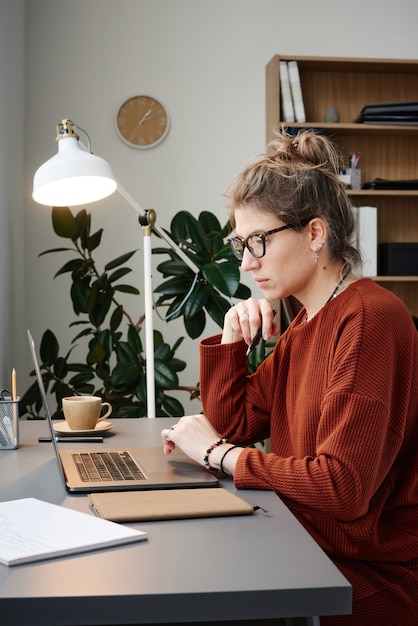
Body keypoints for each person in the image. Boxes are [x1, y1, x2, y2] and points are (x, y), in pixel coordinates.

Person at [161, 128, 418, 625]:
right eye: (241, 244)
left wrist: (217, 455)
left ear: (315, 234)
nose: (246, 262)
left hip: (364, 577)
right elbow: (235, 423)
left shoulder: (368, 319)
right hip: (304, 546)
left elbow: (341, 487)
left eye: (258, 240)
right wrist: (231, 339)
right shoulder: (305, 324)